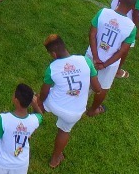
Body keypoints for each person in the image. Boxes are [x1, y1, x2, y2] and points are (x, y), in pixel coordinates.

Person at [39, 34, 98, 167]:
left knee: (37, 97)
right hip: (75, 112)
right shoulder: (85, 61)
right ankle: (54, 160)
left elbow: (44, 91)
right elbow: (97, 88)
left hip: (54, 104)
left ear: (53, 54)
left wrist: (40, 102)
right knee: (64, 131)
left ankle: (31, 122)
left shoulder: (53, 67)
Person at [86, 0, 138, 117]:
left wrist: (95, 57)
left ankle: (75, 100)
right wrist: (104, 65)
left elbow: (92, 34)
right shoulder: (131, 27)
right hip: (110, 64)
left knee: (84, 78)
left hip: (91, 56)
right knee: (103, 87)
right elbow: (123, 51)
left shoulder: (103, 12)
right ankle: (92, 110)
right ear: (133, 7)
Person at [0, 84, 44, 174]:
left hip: (1, 162)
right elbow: (40, 115)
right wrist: (34, 104)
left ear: (16, 100)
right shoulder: (34, 120)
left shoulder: (3, 119)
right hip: (21, 164)